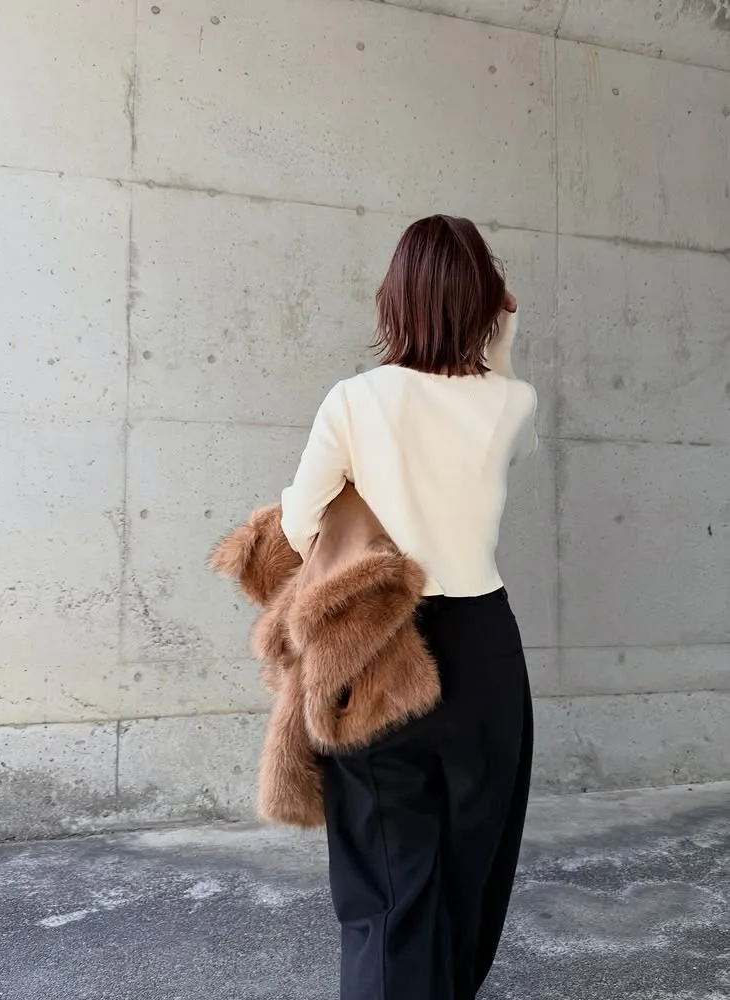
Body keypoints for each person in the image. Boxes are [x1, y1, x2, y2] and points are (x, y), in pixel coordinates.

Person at [280, 215, 537, 1000]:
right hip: (487, 651)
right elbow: (508, 423)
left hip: (380, 651)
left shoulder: (355, 400)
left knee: (389, 888)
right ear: (486, 301)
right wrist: (501, 340)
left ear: (393, 300)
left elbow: (298, 528)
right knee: (470, 871)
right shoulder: (514, 402)